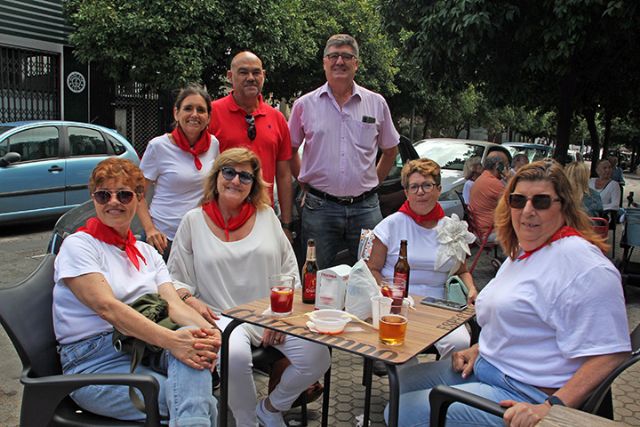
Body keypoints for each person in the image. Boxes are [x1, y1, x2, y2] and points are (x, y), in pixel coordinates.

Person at [388, 160, 630, 427]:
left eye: (541, 202)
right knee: (400, 383)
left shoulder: (585, 265)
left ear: (564, 206)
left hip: (523, 392)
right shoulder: (524, 252)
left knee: (400, 412)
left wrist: (551, 407)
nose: (527, 211)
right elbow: (525, 323)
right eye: (518, 200)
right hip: (486, 366)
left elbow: (611, 354)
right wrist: (480, 348)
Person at [168, 148, 331, 427]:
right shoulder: (193, 221)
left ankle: (269, 408)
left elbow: (289, 271)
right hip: (220, 317)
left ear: (254, 185)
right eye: (229, 172)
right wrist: (190, 300)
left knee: (318, 355)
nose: (235, 181)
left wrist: (280, 317)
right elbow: (174, 279)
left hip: (269, 313)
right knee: (234, 355)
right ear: (216, 176)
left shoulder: (267, 216)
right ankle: (246, 422)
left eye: (245, 176)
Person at [53, 158, 219, 424]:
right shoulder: (79, 245)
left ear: (139, 198)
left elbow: (174, 305)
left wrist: (211, 336)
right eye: (104, 194)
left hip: (145, 347)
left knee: (196, 347)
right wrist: (173, 341)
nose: (113, 202)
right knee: (202, 403)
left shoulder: (146, 251)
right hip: (94, 363)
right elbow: (108, 308)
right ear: (94, 198)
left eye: (124, 194)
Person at [289, 33, 400, 269]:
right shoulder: (304, 105)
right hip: (320, 209)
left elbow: (390, 150)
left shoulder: (376, 103)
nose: (340, 61)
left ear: (356, 64)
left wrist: (372, 182)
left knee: (371, 275)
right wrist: (303, 182)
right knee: (316, 275)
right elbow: (289, 150)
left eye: (347, 56)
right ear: (324, 62)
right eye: (333, 56)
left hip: (366, 210)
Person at [367, 158, 477, 358]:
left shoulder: (451, 227)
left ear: (438, 189)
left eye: (427, 185)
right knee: (400, 347)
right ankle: (408, 387)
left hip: (439, 307)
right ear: (406, 192)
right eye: (414, 186)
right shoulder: (390, 226)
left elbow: (462, 271)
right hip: (397, 306)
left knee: (460, 342)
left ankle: (440, 387)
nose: (421, 192)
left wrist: (471, 289)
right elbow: (372, 269)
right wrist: (386, 290)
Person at [209, 51, 294, 240]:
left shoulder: (277, 118)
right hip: (221, 218)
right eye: (243, 72)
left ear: (263, 75)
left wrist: (286, 224)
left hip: (263, 217)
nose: (251, 78)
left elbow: (283, 174)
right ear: (230, 77)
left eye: (256, 73)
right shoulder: (212, 113)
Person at [137, 84, 219, 260]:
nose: (194, 114)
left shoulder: (214, 145)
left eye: (201, 110)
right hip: (162, 239)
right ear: (176, 113)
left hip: (197, 237)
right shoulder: (158, 146)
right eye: (188, 108)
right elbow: (137, 193)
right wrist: (150, 229)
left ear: (208, 117)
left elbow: (212, 188)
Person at [469, 150, 510, 239]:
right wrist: (509, 180)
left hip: (479, 229)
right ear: (498, 166)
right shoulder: (493, 183)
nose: (507, 169)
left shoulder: (482, 178)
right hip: (489, 232)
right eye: (506, 166)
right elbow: (514, 202)